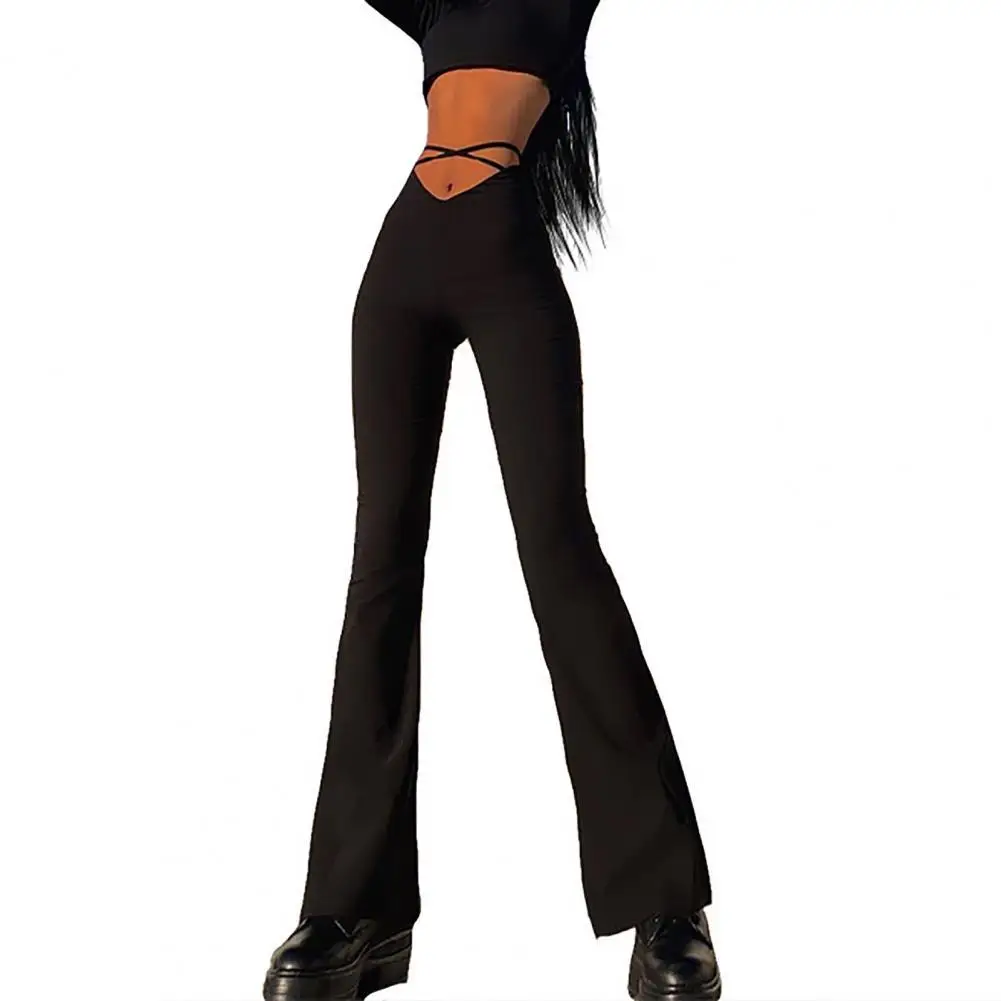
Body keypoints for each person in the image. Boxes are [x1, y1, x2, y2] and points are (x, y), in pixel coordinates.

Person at [262, 1, 723, 998]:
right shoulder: (436, 4)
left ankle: (666, 904)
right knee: (379, 564)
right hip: (401, 263)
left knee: (558, 551)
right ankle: (350, 910)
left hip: (505, 260)